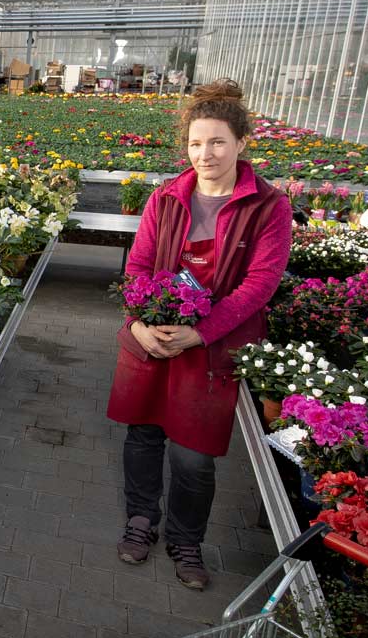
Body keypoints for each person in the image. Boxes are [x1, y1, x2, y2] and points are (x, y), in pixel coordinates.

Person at [105, 80, 292, 590]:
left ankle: (187, 539)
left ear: (241, 143)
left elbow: (260, 286)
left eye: (216, 142)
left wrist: (200, 333)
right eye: (195, 143)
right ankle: (141, 519)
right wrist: (140, 325)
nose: (204, 154)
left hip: (211, 347)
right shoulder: (166, 198)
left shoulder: (268, 207)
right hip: (153, 339)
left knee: (193, 452)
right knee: (142, 435)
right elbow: (139, 266)